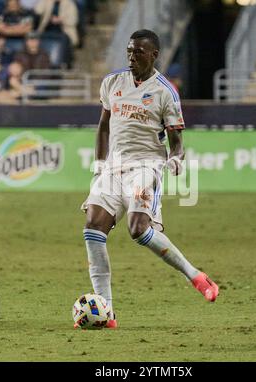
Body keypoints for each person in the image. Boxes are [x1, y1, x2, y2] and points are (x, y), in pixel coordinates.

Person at [80, 29, 219, 329]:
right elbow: (103, 126)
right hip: (113, 167)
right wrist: (100, 165)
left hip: (146, 167)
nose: (132, 56)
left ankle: (195, 275)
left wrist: (176, 158)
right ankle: (107, 313)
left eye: (138, 51)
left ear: (154, 54)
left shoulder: (165, 92)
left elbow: (177, 142)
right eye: (129, 51)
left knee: (138, 230)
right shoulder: (112, 83)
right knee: (92, 228)